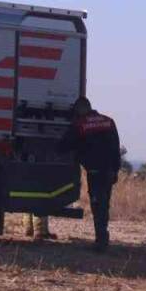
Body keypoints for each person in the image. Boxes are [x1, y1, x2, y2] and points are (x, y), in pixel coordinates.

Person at [57, 96, 121, 251]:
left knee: (97, 204)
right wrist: (115, 170)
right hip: (108, 171)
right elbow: (116, 148)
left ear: (80, 110)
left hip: (94, 171)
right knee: (104, 204)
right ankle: (103, 237)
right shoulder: (109, 121)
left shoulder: (81, 124)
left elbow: (64, 145)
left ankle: (101, 242)